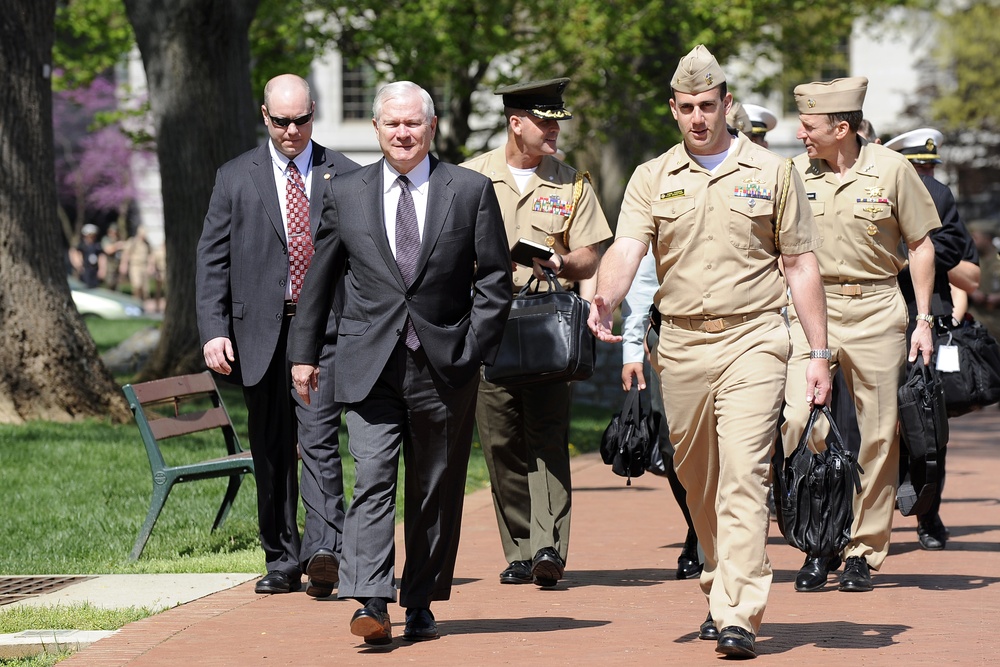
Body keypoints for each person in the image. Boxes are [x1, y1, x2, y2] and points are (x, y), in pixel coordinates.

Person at [588, 45, 831, 659]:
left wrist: (818, 353)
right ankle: (718, 580)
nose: (699, 117)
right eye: (687, 107)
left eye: (709, 105)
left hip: (754, 339)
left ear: (727, 104)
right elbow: (626, 249)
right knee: (698, 481)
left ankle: (739, 612)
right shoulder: (652, 176)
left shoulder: (773, 172)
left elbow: (801, 264)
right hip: (684, 345)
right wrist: (604, 301)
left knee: (744, 479)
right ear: (674, 109)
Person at [288, 81, 512, 645]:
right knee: (372, 477)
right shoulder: (347, 191)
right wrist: (304, 355)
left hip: (443, 365)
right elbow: (320, 278)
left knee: (434, 487)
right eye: (392, 125)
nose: (403, 133)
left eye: (413, 124)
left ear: (431, 127)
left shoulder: (469, 190)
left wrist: (473, 348)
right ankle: (369, 599)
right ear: (377, 130)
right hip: (368, 363)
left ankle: (419, 601)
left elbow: (494, 280)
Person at [196, 73, 359, 598]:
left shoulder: (347, 175)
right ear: (264, 116)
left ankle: (323, 551)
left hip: (325, 330)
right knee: (269, 449)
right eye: (282, 121)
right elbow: (212, 259)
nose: (293, 130)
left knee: (318, 440)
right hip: (258, 332)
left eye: (302, 119)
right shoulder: (234, 176)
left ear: (315, 112)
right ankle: (282, 558)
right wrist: (214, 330)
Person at [781, 77, 939, 594]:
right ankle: (818, 542)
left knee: (878, 434)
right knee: (802, 423)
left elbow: (920, 244)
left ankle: (862, 552)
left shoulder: (893, 170)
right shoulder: (791, 173)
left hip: (876, 309)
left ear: (841, 128)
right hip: (813, 311)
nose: (800, 133)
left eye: (809, 126)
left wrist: (922, 320)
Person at [461, 78, 611, 589]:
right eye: (544, 121)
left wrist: (564, 261)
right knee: (500, 439)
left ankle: (550, 546)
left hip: (546, 320)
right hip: (489, 322)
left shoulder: (572, 183)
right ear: (515, 122)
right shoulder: (469, 177)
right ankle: (521, 549)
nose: (553, 130)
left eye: (557, 121)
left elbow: (592, 252)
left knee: (547, 435)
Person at [885, 127, 980, 550]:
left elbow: (960, 253)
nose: (925, 175)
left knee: (927, 424)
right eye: (918, 166)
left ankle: (928, 514)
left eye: (928, 166)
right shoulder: (877, 188)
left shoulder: (937, 194)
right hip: (878, 320)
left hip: (927, 321)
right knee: (876, 426)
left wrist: (908, 255)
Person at [620, 248, 701, 580]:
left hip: (740, 335)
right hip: (670, 335)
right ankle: (698, 526)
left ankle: (711, 541)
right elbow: (643, 284)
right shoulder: (661, 195)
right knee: (672, 446)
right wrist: (631, 350)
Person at [120, 225, 152, 302]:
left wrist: (150, 266)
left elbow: (150, 255)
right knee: (137, 285)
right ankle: (136, 302)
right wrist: (124, 265)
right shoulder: (133, 241)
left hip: (144, 266)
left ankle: (143, 304)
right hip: (135, 265)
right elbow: (126, 254)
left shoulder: (147, 243)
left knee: (145, 289)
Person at [73, 224, 105, 288]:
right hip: (84, 269)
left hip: (94, 270)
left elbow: (101, 257)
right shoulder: (81, 245)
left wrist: (102, 269)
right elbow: (76, 253)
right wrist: (78, 264)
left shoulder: (97, 245)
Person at [101, 225, 124, 290]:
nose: (114, 234)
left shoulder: (118, 239)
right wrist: (117, 246)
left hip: (118, 265)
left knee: (117, 285)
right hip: (109, 266)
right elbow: (108, 250)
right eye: (113, 232)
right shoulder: (106, 239)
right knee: (109, 284)